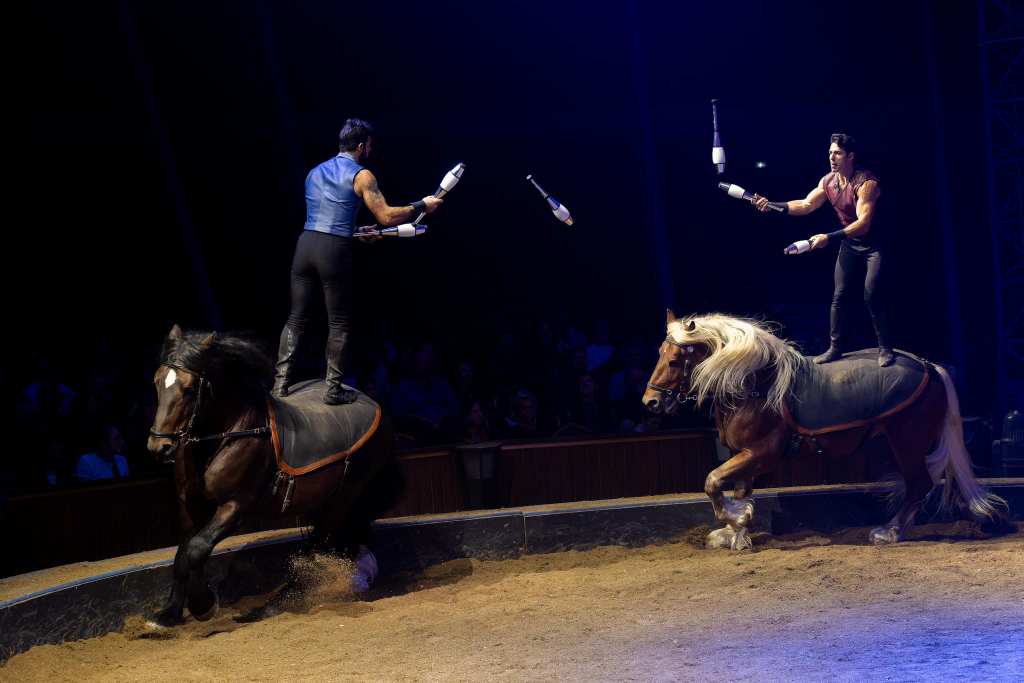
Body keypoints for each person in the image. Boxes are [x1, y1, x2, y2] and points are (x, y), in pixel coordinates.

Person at [273, 119, 443, 404]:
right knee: (338, 321)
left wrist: (356, 232)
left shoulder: (314, 172)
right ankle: (333, 390)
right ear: (362, 146)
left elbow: (327, 219)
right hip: (333, 251)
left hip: (305, 245)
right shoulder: (363, 175)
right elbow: (386, 216)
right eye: (370, 146)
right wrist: (421, 205)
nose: (370, 151)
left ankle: (279, 385)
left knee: (296, 318)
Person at [752, 133, 892, 367]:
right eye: (830, 153)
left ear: (850, 156)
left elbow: (863, 223)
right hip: (850, 243)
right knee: (839, 295)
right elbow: (806, 204)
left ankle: (885, 348)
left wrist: (828, 237)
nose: (832, 158)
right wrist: (772, 205)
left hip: (874, 245)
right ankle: (835, 348)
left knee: (871, 293)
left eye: (837, 153)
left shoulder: (866, 183)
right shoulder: (828, 181)